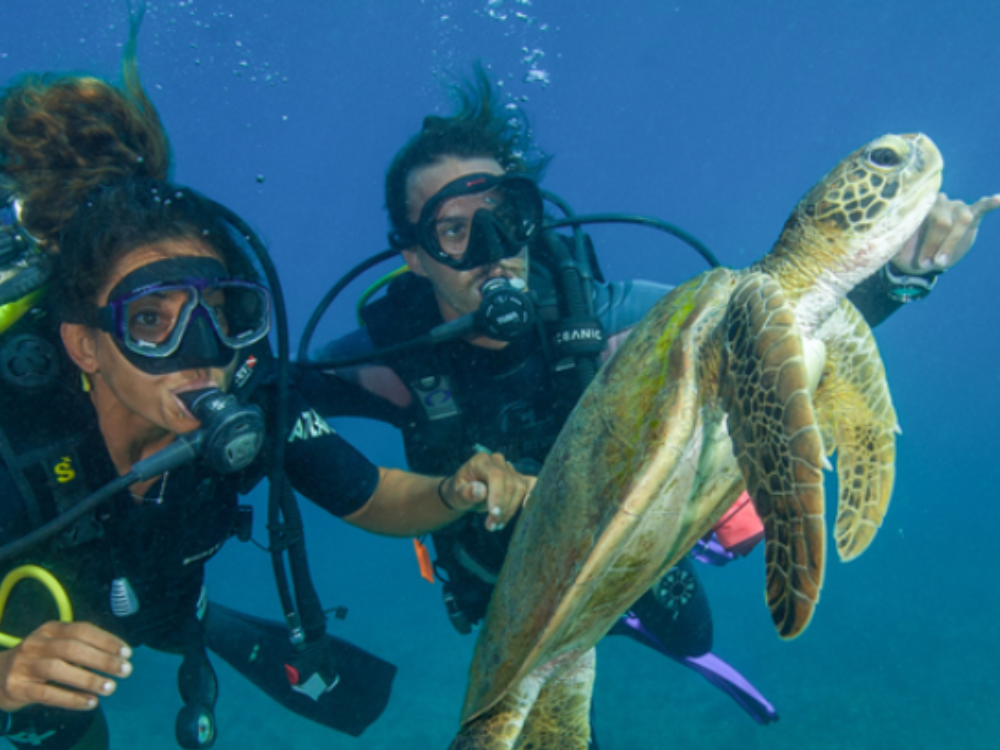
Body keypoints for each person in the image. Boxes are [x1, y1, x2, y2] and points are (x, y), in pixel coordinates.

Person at [301, 66, 1000, 737]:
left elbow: (781, 332)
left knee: (692, 631)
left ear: (529, 218)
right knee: (533, 707)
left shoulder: (608, 316)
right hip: (505, 592)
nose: (490, 248)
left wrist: (904, 277)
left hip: (644, 551)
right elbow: (278, 395)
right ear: (414, 257)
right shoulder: (392, 362)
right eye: (453, 230)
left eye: (504, 217)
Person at [0, 35, 530, 750]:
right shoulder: (15, 428)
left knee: (149, 630)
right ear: (83, 343)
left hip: (160, 605)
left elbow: (370, 493)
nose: (200, 356)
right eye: (151, 321)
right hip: (40, 648)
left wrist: (452, 491)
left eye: (220, 313)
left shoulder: (250, 389)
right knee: (56, 714)